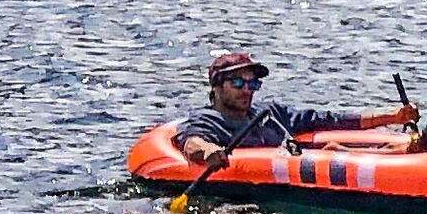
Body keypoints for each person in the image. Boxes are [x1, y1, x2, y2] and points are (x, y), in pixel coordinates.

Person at [173, 52, 413, 158]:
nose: (247, 90)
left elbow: (328, 119)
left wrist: (392, 117)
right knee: (333, 152)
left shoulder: (269, 113)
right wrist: (207, 152)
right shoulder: (208, 120)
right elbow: (192, 141)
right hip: (257, 186)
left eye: (253, 84)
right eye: (238, 83)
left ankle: (406, 153)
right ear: (217, 85)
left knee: (332, 147)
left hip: (294, 164)